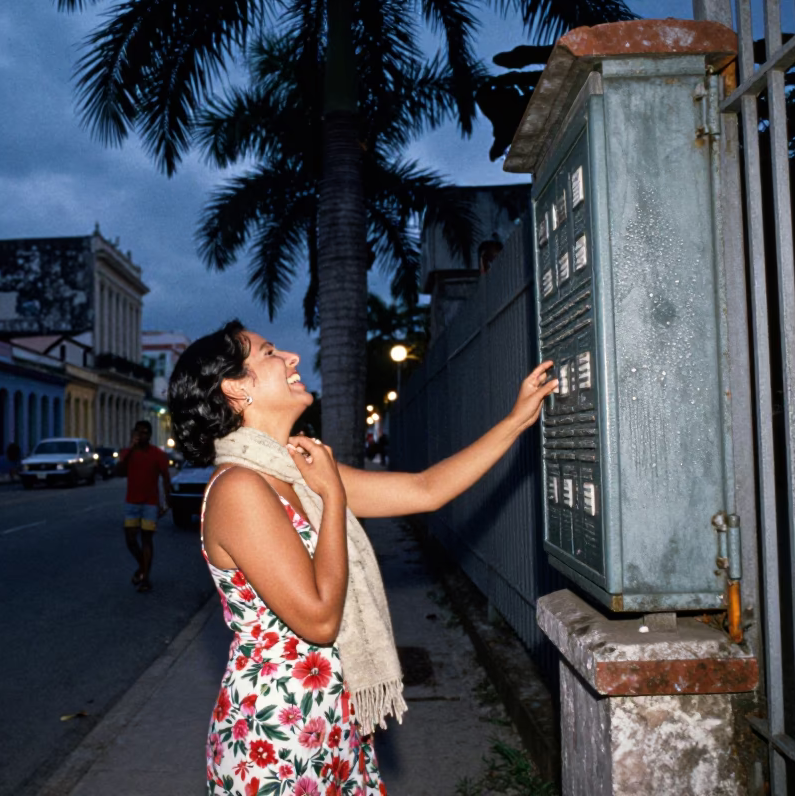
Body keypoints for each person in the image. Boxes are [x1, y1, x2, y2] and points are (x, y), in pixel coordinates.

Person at [167, 320, 555, 795]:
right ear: (235, 388)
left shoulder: (295, 468)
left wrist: (515, 420)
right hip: (277, 736)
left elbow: (425, 489)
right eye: (270, 353)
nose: (292, 358)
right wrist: (332, 498)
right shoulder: (239, 488)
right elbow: (320, 618)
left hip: (333, 717)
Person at [117, 420, 172, 593]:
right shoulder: (128, 453)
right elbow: (118, 472)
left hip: (150, 503)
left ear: (150, 435)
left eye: (145, 432)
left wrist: (167, 502)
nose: (142, 435)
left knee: (147, 539)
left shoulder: (157, 454)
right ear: (134, 434)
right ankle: (143, 567)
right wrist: (129, 449)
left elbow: (165, 478)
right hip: (132, 502)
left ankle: (145, 579)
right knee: (130, 539)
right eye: (139, 432)